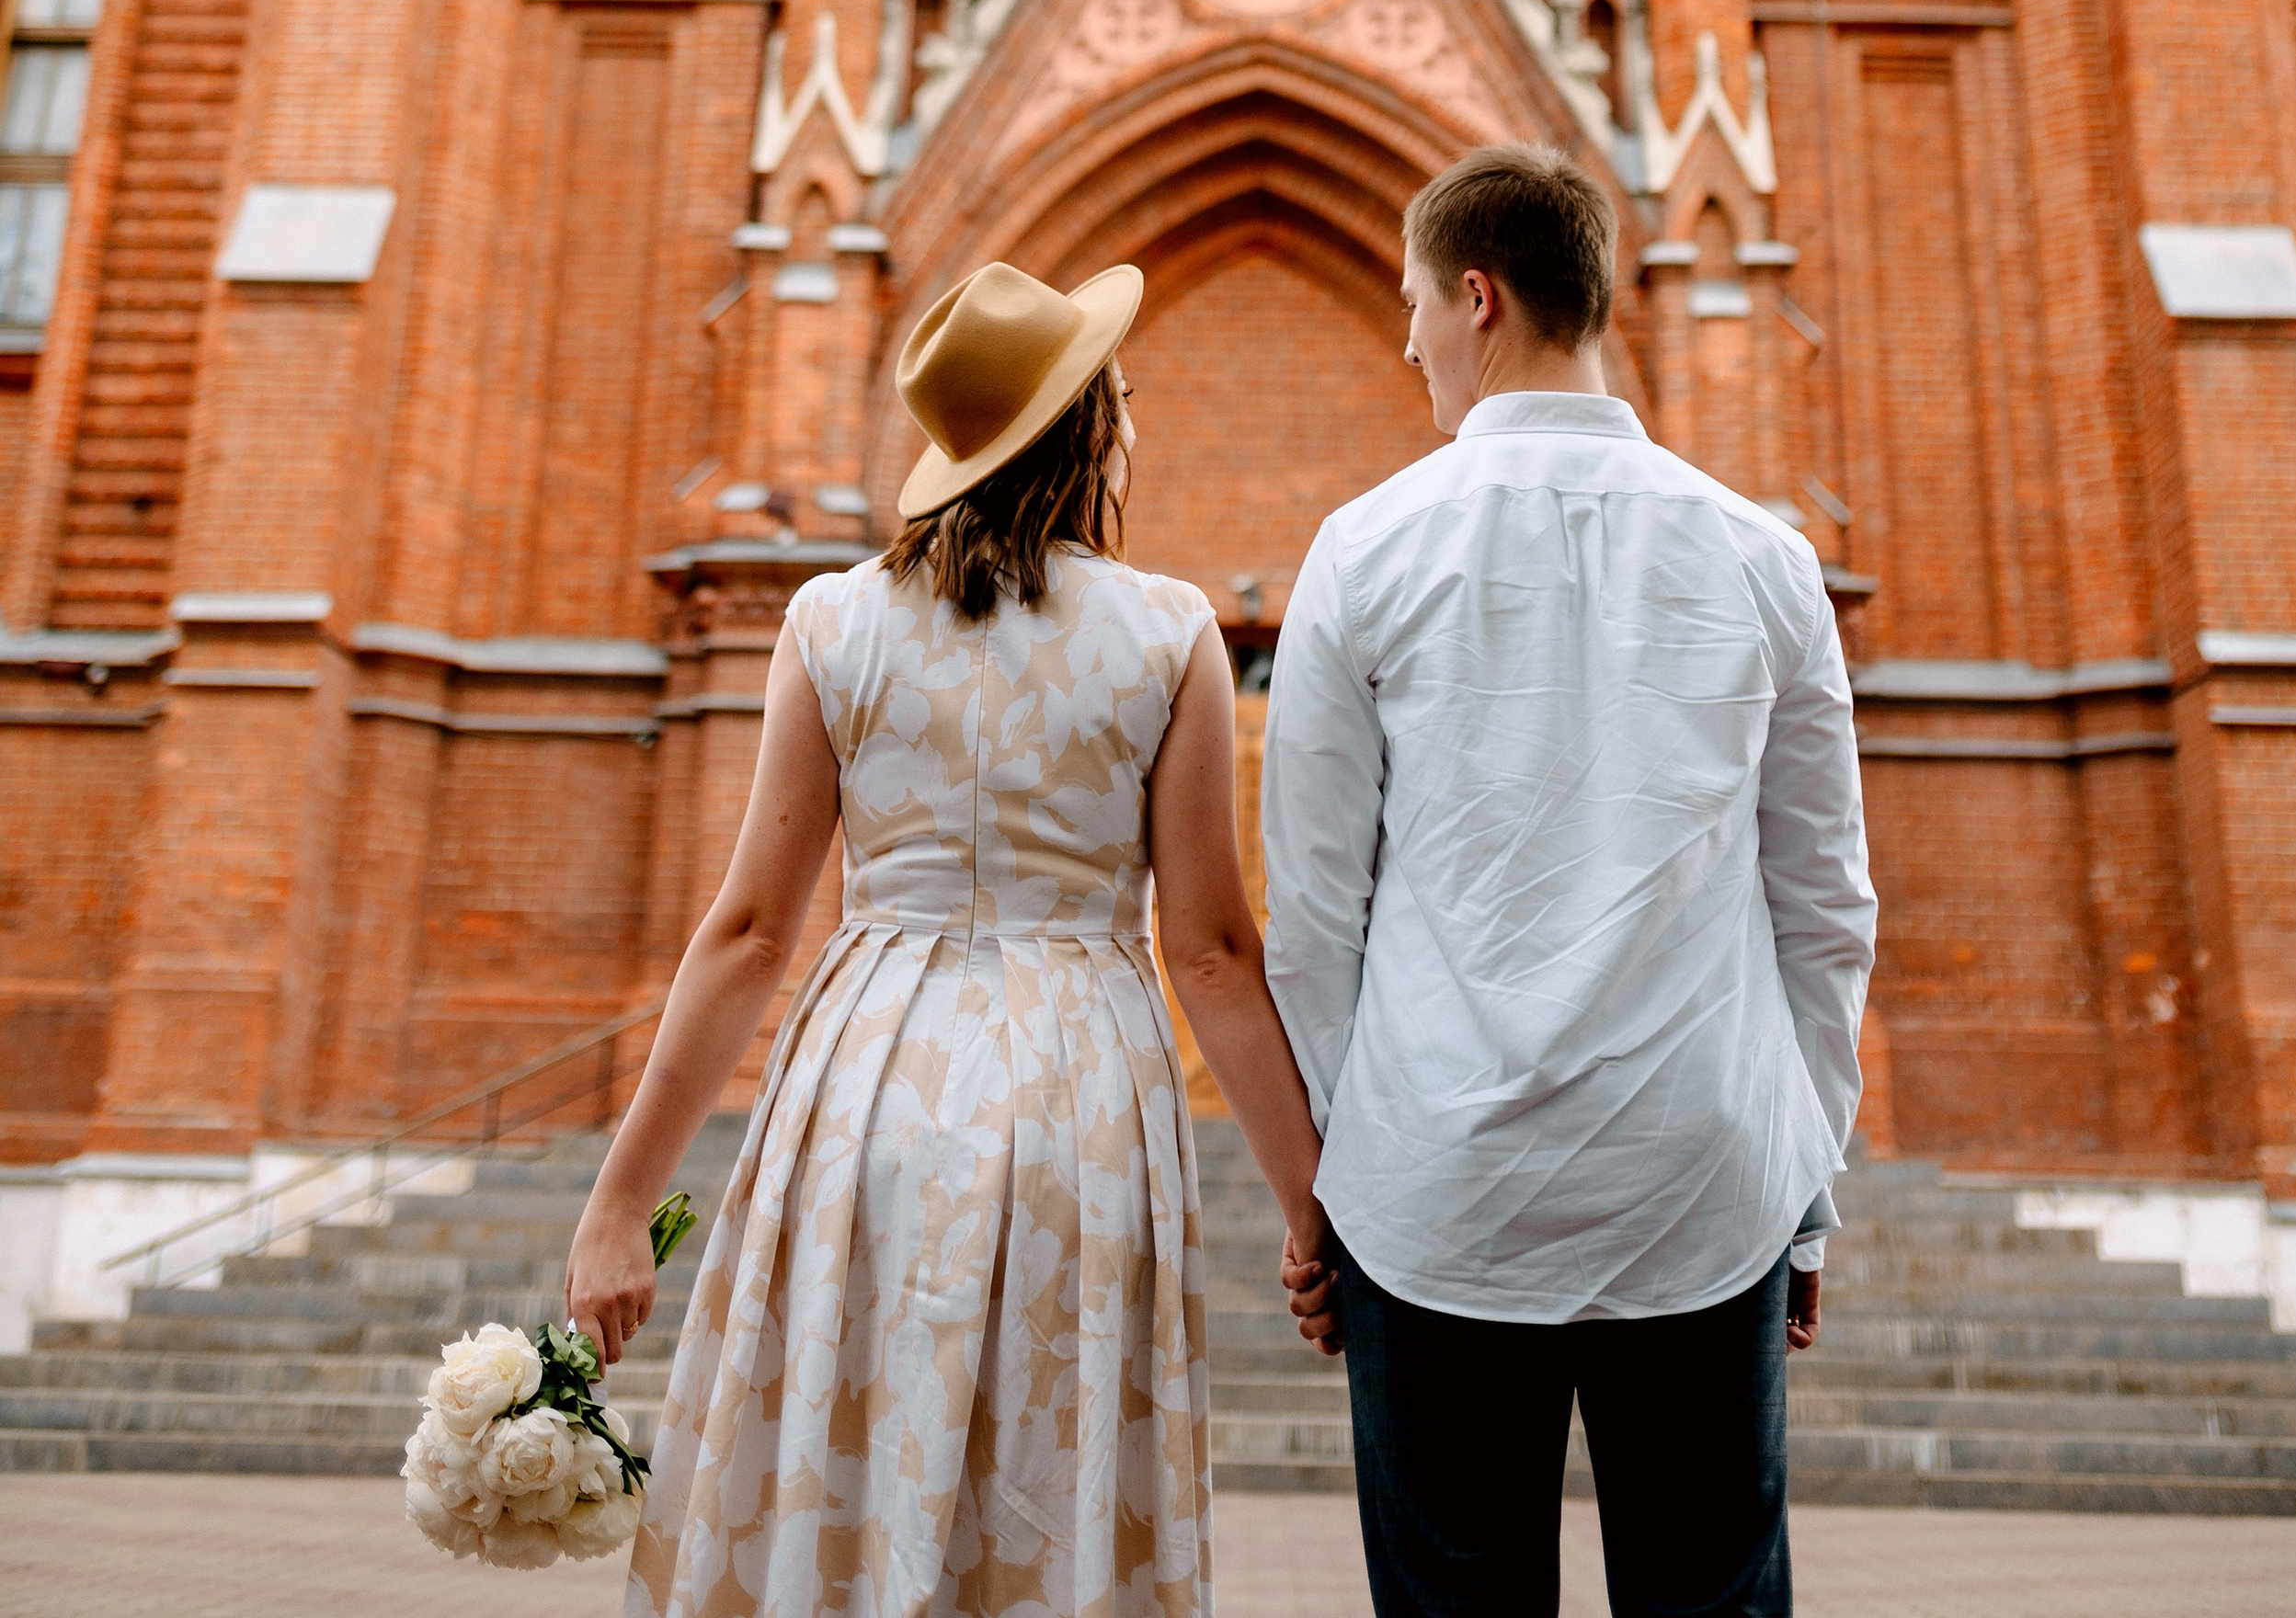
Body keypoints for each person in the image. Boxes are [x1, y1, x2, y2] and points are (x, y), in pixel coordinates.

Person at [565, 258, 1328, 1618]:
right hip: (1082, 1094)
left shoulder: (833, 622)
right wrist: (1312, 1207)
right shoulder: (1168, 636)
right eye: (1121, 394)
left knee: (850, 1474)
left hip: (865, 1089)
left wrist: (624, 1204)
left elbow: (747, 931)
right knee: (1050, 1475)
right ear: (1088, 427)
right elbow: (1210, 950)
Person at [1262, 144, 1876, 1618]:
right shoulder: (1766, 559)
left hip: (1439, 1190)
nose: (1407, 340)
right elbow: (1826, 907)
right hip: (1701, 1177)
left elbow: (1313, 923)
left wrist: (1337, 1179)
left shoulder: (1363, 550)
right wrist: (1802, 1182)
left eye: (1413, 304)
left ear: (1478, 298)